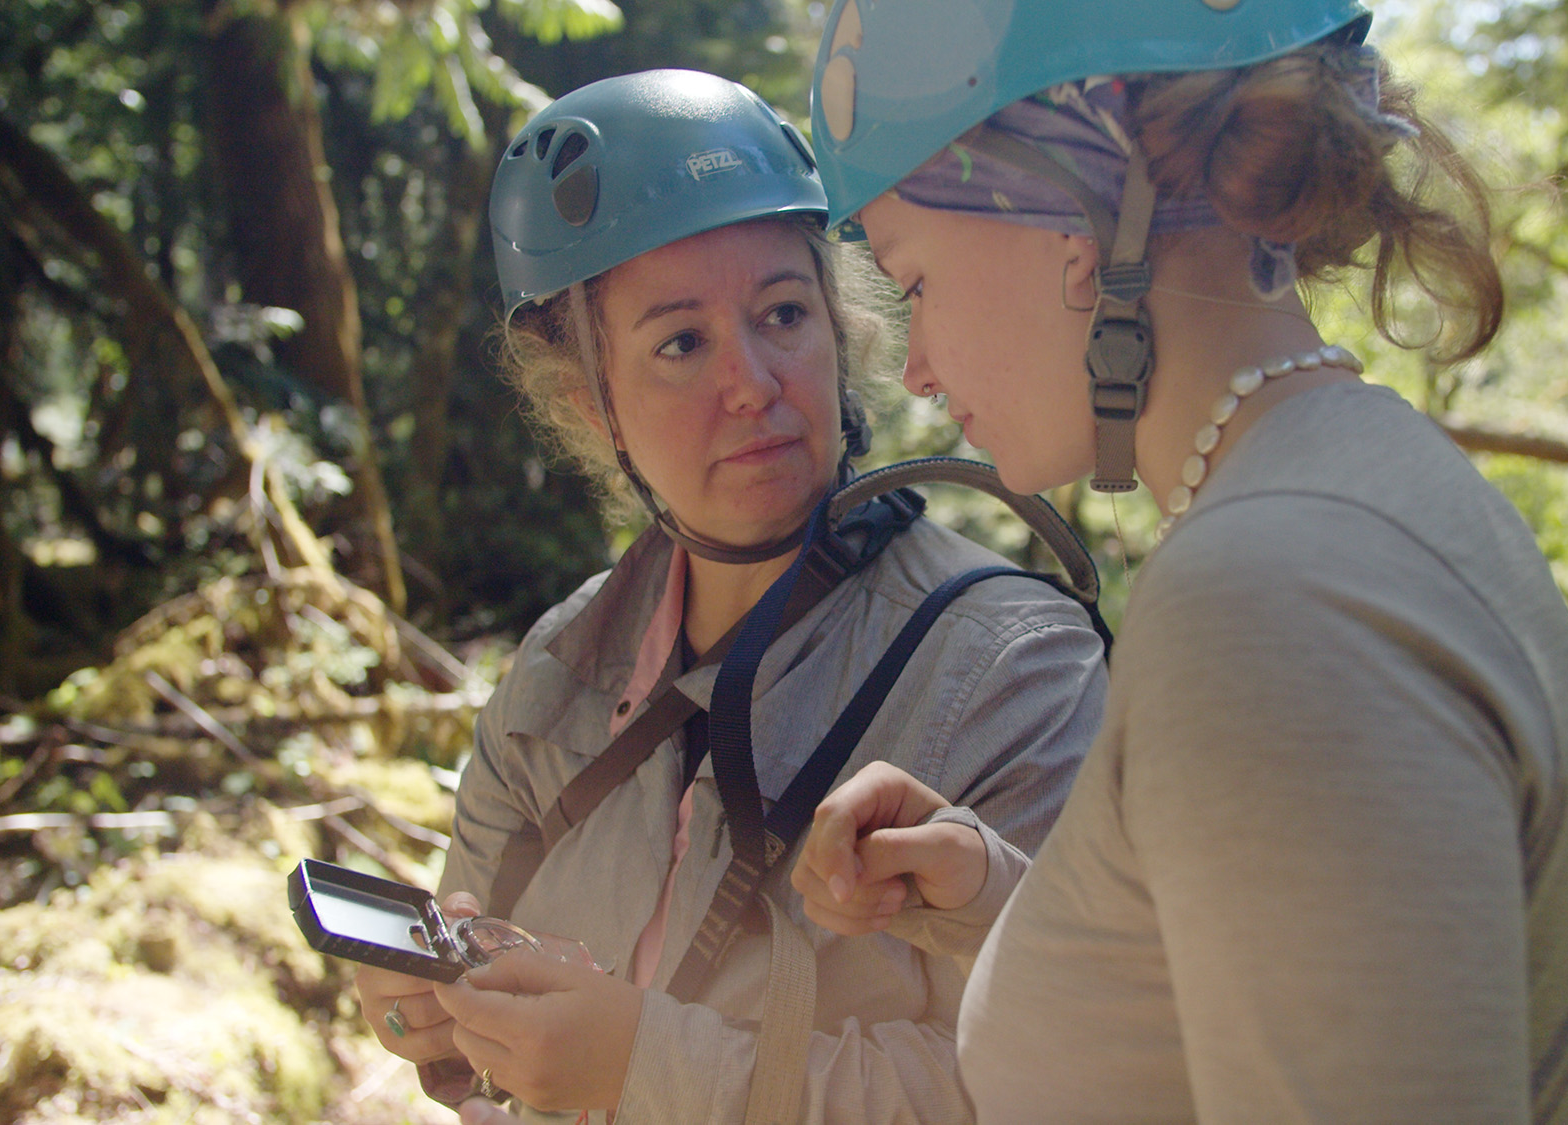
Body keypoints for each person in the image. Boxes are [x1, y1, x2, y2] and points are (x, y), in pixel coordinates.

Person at [790, 2, 1568, 1122]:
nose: (919, 370)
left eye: (915, 280)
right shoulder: (1362, 490)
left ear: (1063, 215)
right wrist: (1009, 901)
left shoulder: (1275, 599)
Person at [352, 69, 1108, 1125]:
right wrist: (436, 1023)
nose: (752, 379)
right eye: (679, 343)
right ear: (589, 398)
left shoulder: (1012, 664)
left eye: (782, 313)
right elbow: (485, 1037)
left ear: (839, 330)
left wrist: (647, 1068)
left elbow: (1051, 1082)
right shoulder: (559, 674)